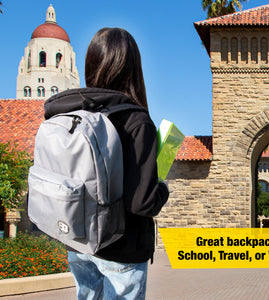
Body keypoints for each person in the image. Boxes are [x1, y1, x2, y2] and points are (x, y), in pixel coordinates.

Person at [44, 27, 169, 299]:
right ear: (133, 68)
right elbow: (142, 203)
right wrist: (162, 188)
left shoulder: (67, 114)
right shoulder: (135, 121)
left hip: (79, 244)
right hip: (122, 249)